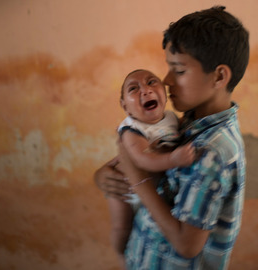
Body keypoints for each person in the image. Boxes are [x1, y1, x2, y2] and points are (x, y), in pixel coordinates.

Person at [94, 5, 249, 269]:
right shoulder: (189, 122)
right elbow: (149, 165)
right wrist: (107, 176)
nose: (166, 80)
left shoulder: (212, 151)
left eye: (178, 70)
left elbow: (187, 245)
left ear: (219, 76)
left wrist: (137, 179)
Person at [109, 69, 196, 268]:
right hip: (126, 190)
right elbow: (142, 160)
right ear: (125, 106)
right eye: (134, 89)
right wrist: (173, 158)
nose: (146, 90)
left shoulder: (172, 118)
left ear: (164, 94)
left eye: (151, 82)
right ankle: (121, 256)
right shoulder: (132, 129)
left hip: (150, 188)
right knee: (122, 226)